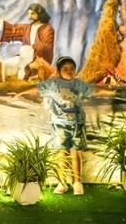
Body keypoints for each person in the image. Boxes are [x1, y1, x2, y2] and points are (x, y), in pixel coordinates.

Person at [36, 56, 94, 196]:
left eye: (72, 69)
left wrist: (115, 91)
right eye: (65, 69)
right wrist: (18, 92)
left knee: (76, 152)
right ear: (59, 71)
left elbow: (95, 90)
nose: (69, 71)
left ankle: (77, 182)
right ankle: (62, 182)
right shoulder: (53, 84)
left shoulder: (79, 84)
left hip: (77, 123)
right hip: (60, 124)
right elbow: (35, 88)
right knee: (62, 153)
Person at [0, 3, 55, 81]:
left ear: (40, 14)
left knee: (25, 51)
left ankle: (22, 80)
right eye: (29, 14)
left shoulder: (47, 29)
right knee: (6, 65)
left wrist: (33, 47)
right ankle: (4, 81)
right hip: (24, 55)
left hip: (38, 57)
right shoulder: (28, 28)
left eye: (33, 14)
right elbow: (14, 30)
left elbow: (48, 46)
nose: (30, 16)